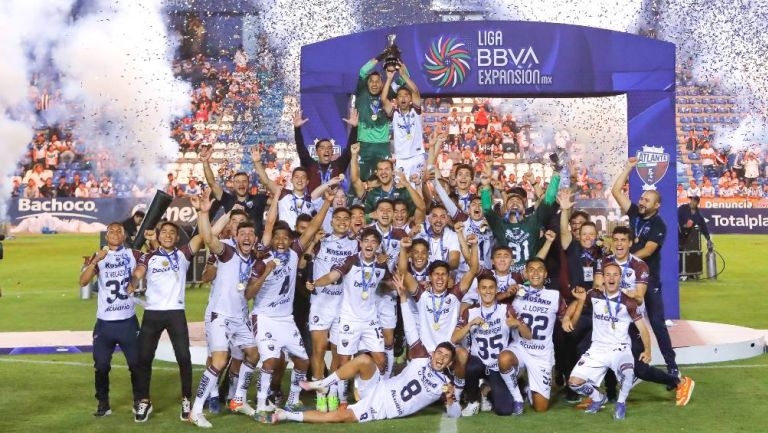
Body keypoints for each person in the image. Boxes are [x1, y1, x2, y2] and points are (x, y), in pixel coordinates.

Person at [272, 274, 460, 424]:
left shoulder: (444, 384)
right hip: (379, 387)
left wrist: (451, 400)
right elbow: (410, 328)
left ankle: (286, 416)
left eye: (446, 357)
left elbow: (454, 414)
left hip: (383, 407)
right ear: (433, 353)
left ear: (450, 363)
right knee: (364, 360)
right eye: (440, 353)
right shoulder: (420, 357)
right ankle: (323, 383)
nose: (441, 358)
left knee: (341, 416)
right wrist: (403, 297)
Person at [186, 191, 263, 428]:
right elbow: (209, 238)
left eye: (251, 233)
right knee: (218, 360)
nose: (247, 236)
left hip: (239, 316)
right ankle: (197, 409)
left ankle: (237, 399)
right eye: (243, 233)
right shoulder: (227, 251)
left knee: (253, 354)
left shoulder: (253, 258)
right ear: (235, 236)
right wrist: (204, 212)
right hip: (220, 315)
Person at [127, 221, 205, 423]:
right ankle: (144, 400)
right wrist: (133, 283)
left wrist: (204, 212)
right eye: (165, 232)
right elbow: (139, 272)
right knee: (143, 359)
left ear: (177, 237)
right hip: (152, 313)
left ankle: (186, 399)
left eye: (173, 233)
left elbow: (202, 236)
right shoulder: (149, 256)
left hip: (176, 313)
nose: (168, 235)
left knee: (184, 358)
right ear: (159, 236)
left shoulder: (183, 254)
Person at [611, 157, 679, 379]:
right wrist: (629, 168)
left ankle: (672, 365)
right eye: (641, 198)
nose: (641, 202)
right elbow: (615, 190)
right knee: (626, 319)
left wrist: (623, 259)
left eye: (647, 200)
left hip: (648, 281)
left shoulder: (659, 225)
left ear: (656, 205)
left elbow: (648, 251)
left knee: (657, 322)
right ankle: (634, 362)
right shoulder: (634, 213)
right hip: (627, 279)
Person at [562, 262, 650, 420]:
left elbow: (643, 329)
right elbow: (576, 302)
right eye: (607, 274)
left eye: (615, 275)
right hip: (597, 349)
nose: (611, 278)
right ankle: (597, 398)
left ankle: (621, 403)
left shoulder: (628, 302)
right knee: (574, 383)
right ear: (602, 277)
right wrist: (567, 317)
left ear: (620, 278)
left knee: (628, 373)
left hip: (620, 349)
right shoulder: (594, 294)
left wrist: (647, 350)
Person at [79, 223, 142, 417]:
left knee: (136, 364)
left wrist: (136, 280)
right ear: (106, 236)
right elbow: (83, 281)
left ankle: (140, 401)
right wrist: (95, 260)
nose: (115, 233)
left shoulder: (134, 254)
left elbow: (148, 265)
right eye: (111, 231)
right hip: (105, 323)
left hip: (127, 321)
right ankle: (103, 404)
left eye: (119, 231)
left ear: (124, 237)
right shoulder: (99, 256)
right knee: (101, 366)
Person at [453, 273, 531, 416]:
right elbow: (454, 338)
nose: (487, 291)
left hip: (497, 366)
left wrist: (518, 324)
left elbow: (528, 335)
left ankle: (486, 390)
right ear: (478, 291)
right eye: (483, 288)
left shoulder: (506, 309)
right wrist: (470, 324)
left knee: (504, 410)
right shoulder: (470, 311)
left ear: (496, 290)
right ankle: (472, 401)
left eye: (491, 288)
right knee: (470, 365)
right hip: (478, 363)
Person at [200, 146, 268, 236]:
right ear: (233, 185)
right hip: (234, 245)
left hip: (255, 247)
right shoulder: (228, 199)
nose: (241, 184)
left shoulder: (259, 199)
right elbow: (212, 183)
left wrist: (257, 163)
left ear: (249, 184)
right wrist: (205, 162)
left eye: (244, 181)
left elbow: (276, 197)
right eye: (237, 182)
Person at [293, 108, 358, 191]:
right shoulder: (310, 165)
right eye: (322, 148)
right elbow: (301, 148)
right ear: (316, 152)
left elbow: (349, 150)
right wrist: (297, 129)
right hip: (314, 203)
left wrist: (355, 128)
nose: (326, 150)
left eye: (329, 148)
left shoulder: (338, 165)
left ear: (333, 152)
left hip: (334, 202)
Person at [381, 66, 426, 183]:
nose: (403, 98)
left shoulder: (415, 111)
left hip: (417, 156)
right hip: (401, 159)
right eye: (400, 96)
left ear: (410, 98)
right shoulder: (394, 114)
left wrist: (403, 75)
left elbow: (415, 91)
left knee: (419, 189)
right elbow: (384, 99)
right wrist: (389, 79)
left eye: (406, 95)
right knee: (401, 191)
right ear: (396, 100)